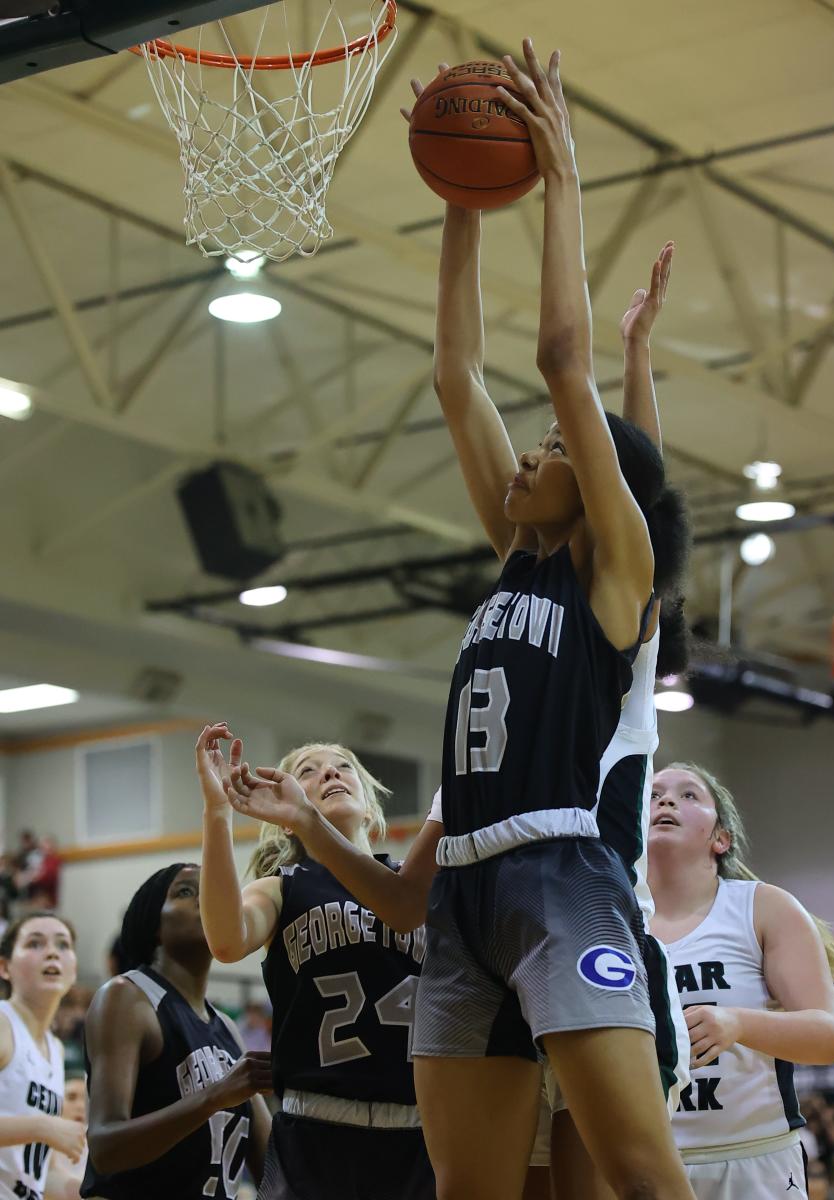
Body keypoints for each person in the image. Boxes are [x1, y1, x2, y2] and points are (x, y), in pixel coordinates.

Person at [224, 38, 695, 1200]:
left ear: (596, 487)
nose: (530, 451)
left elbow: (555, 361)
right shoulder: (515, 566)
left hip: (566, 877)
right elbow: (455, 373)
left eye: (550, 447)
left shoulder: (610, 582)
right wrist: (463, 201)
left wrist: (561, 176)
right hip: (468, 894)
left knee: (634, 1176)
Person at [196, 726, 435, 1200]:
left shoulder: (413, 885)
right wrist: (217, 811)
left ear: (370, 807)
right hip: (316, 1127)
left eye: (343, 767)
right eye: (308, 772)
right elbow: (225, 941)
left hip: (422, 1127)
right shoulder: (282, 887)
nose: (329, 771)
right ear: (285, 816)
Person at [647, 763, 834, 1200]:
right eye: (653, 793)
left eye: (688, 795)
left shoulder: (763, 908)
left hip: (754, 1160)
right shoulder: (607, 915)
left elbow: (831, 1037)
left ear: (721, 838)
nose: (665, 801)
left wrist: (738, 1024)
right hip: (645, 1164)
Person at [81, 864, 272, 1200]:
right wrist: (214, 1097)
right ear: (154, 923)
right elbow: (104, 1148)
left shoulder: (225, 1026)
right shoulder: (126, 997)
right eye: (186, 891)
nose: (206, 899)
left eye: (212, 890)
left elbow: (272, 1164)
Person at [0, 911, 85, 1200]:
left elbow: (42, 1178)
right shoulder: (2, 1023)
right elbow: (40, 1130)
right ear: (4, 967)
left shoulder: (55, 1049)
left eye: (62, 945)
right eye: (35, 943)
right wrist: (42, 1126)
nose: (51, 952)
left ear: (73, 971)